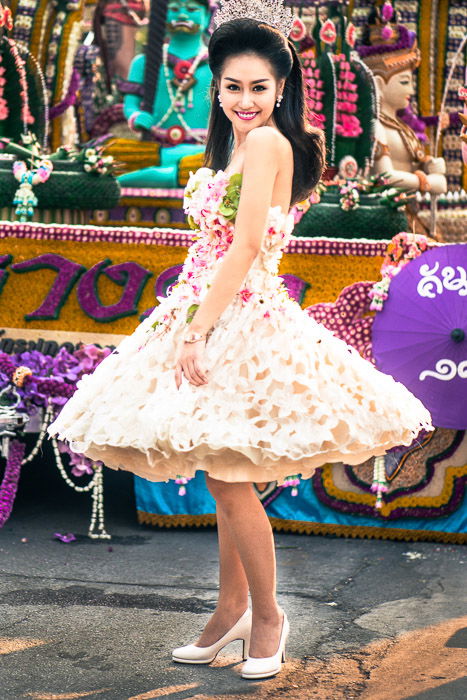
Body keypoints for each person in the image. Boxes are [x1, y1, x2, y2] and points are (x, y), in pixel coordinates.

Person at [47, 1, 434, 682]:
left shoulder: (265, 144)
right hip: (219, 309)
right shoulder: (241, 144)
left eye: (258, 88)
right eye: (232, 87)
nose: (244, 100)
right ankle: (229, 609)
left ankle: (267, 616)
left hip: (239, 320)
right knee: (227, 471)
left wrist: (198, 331)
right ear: (216, 87)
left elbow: (249, 245)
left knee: (229, 482)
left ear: (280, 90)